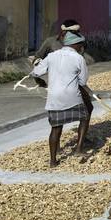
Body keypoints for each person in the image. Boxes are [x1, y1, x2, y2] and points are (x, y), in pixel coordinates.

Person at [30, 31, 93, 167]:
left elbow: (35, 72)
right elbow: (82, 81)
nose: (81, 47)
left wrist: (39, 81)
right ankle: (78, 149)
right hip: (72, 97)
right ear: (75, 44)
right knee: (85, 116)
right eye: (80, 44)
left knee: (56, 128)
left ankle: (53, 161)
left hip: (54, 98)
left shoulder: (51, 56)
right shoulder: (78, 58)